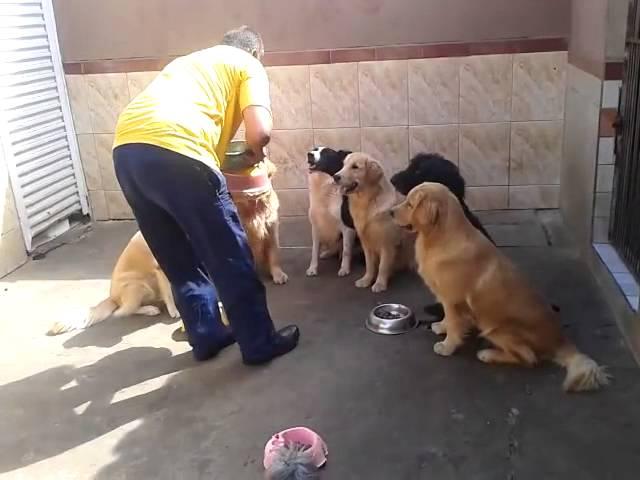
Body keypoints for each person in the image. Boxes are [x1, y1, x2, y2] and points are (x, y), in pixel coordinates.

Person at [111, 26, 299, 364]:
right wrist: (257, 152)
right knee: (230, 255)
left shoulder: (189, 63)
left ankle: (206, 335)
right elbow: (260, 132)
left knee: (178, 258)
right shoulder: (247, 65)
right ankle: (260, 343)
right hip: (179, 152)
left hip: (126, 153)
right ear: (255, 53)